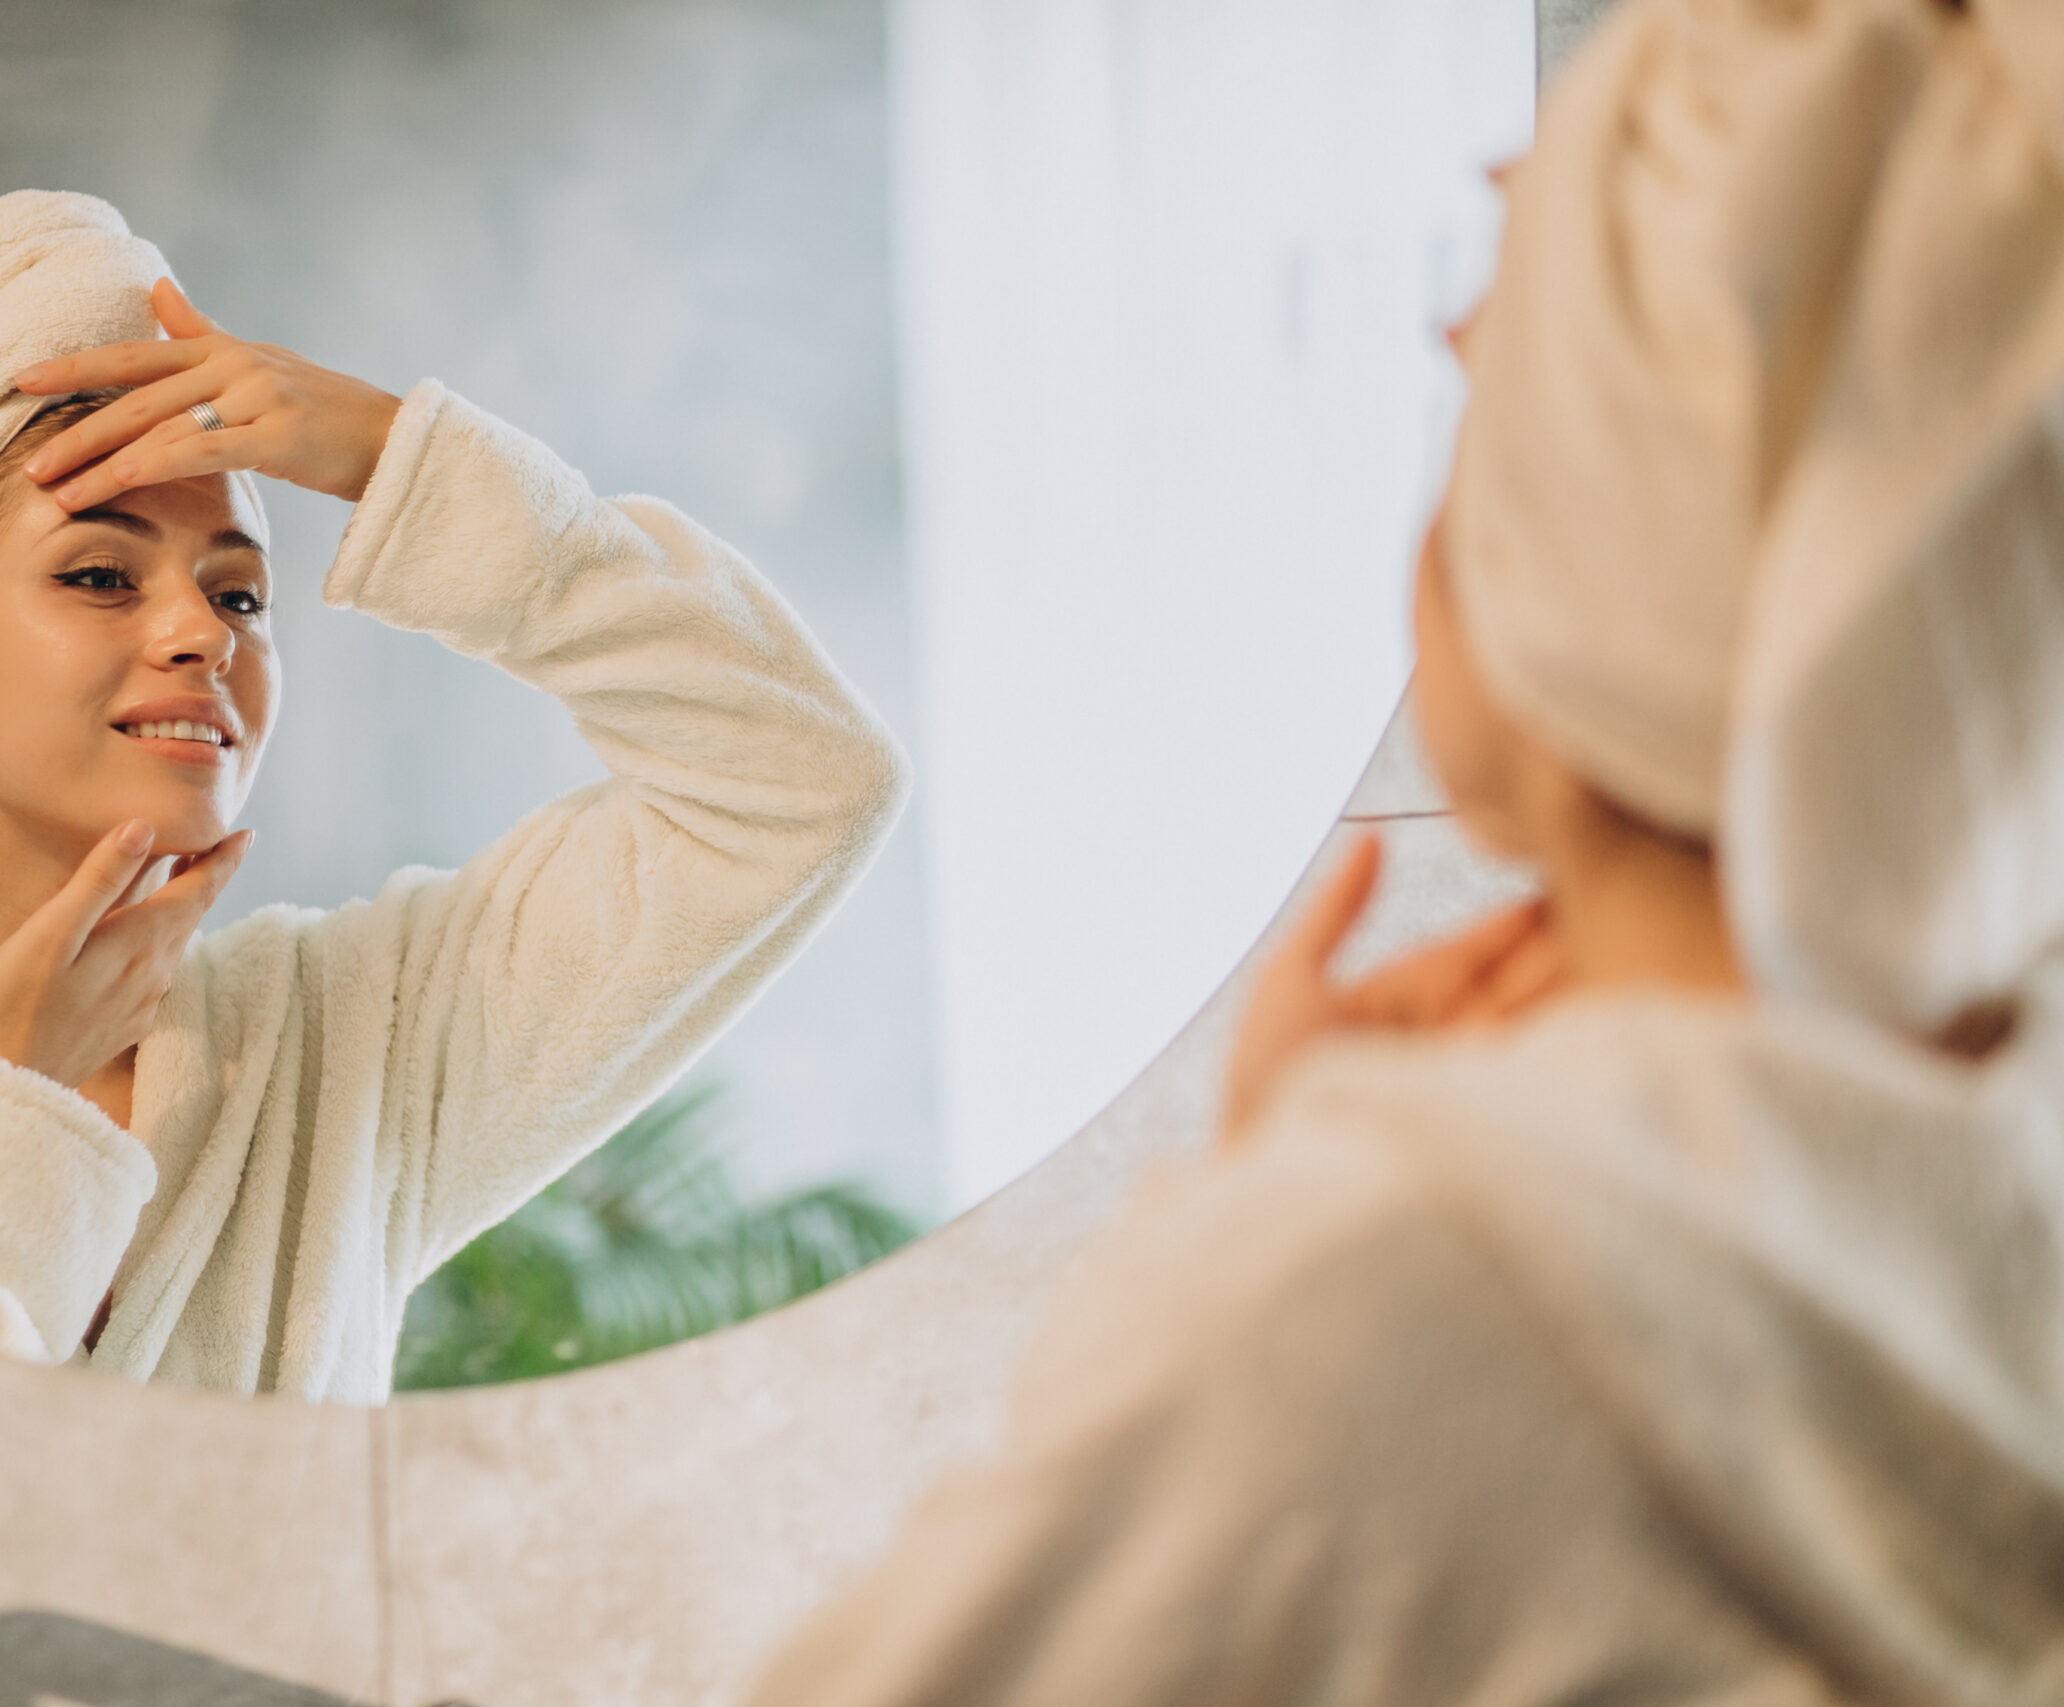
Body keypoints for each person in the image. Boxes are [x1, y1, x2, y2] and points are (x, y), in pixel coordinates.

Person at [743, 0, 2064, 1699]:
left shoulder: (1408, 1283)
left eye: (1482, 401)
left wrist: (1240, 1234)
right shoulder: (2002, 1170)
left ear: (1588, 561)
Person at [0, 190, 906, 1406]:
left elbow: (800, 780)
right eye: (99, 574)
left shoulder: (345, 1052)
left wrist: (398, 459)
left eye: (240, 593)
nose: (203, 633)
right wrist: (9, 1103)